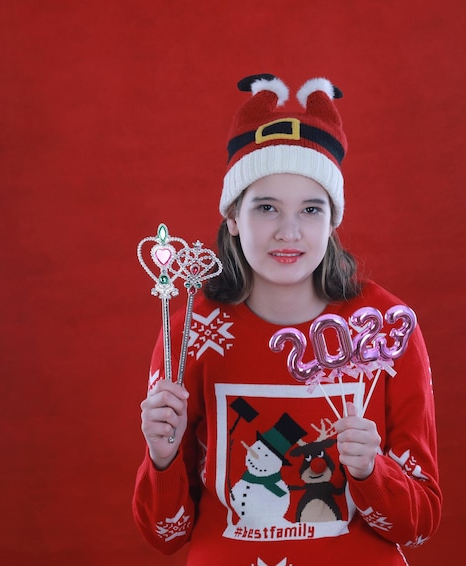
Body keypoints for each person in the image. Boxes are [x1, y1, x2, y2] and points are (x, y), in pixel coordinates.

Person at [132, 74, 442, 565]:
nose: (289, 231)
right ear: (233, 216)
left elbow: (420, 521)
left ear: (332, 219)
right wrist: (162, 459)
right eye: (267, 207)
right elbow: (166, 536)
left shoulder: (383, 324)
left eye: (311, 209)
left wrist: (370, 472)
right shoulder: (193, 328)